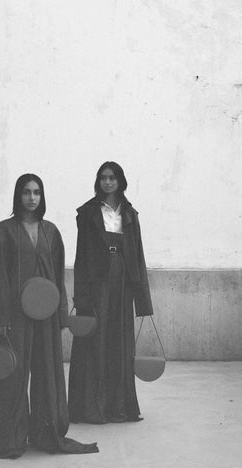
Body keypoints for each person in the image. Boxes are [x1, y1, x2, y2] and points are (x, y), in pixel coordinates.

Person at [0, 173, 98, 458]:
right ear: (18, 195)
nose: (32, 197)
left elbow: (59, 275)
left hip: (47, 316)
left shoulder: (51, 231)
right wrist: (1, 318)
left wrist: (62, 314)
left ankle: (45, 432)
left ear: (42, 196)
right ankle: (12, 436)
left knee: (48, 374)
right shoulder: (6, 230)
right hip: (15, 317)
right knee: (13, 376)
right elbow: (0, 276)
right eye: (26, 192)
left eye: (36, 192)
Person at [68, 162, 153, 424]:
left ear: (120, 181)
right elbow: (81, 256)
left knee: (120, 342)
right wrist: (81, 296)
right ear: (98, 181)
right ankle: (92, 407)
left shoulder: (130, 214)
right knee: (95, 340)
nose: (107, 182)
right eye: (103, 178)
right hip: (97, 283)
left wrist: (143, 301)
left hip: (123, 282)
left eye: (112, 178)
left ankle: (119, 407)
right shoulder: (88, 213)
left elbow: (138, 255)